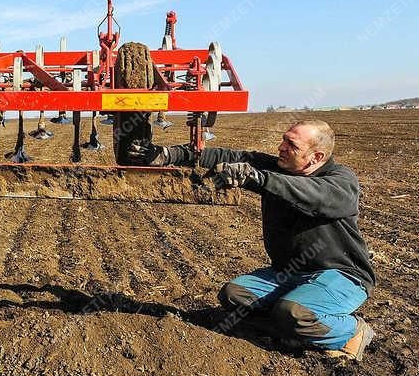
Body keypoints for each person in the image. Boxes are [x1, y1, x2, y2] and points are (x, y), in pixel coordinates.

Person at [132, 119, 376, 361]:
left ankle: (351, 332)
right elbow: (227, 156)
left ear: (317, 157)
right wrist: (169, 154)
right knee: (233, 295)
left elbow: (315, 196)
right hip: (289, 273)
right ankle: (288, 327)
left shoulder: (341, 180)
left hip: (341, 276)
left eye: (292, 145)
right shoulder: (279, 169)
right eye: (283, 139)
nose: (281, 147)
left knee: (295, 312)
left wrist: (260, 179)